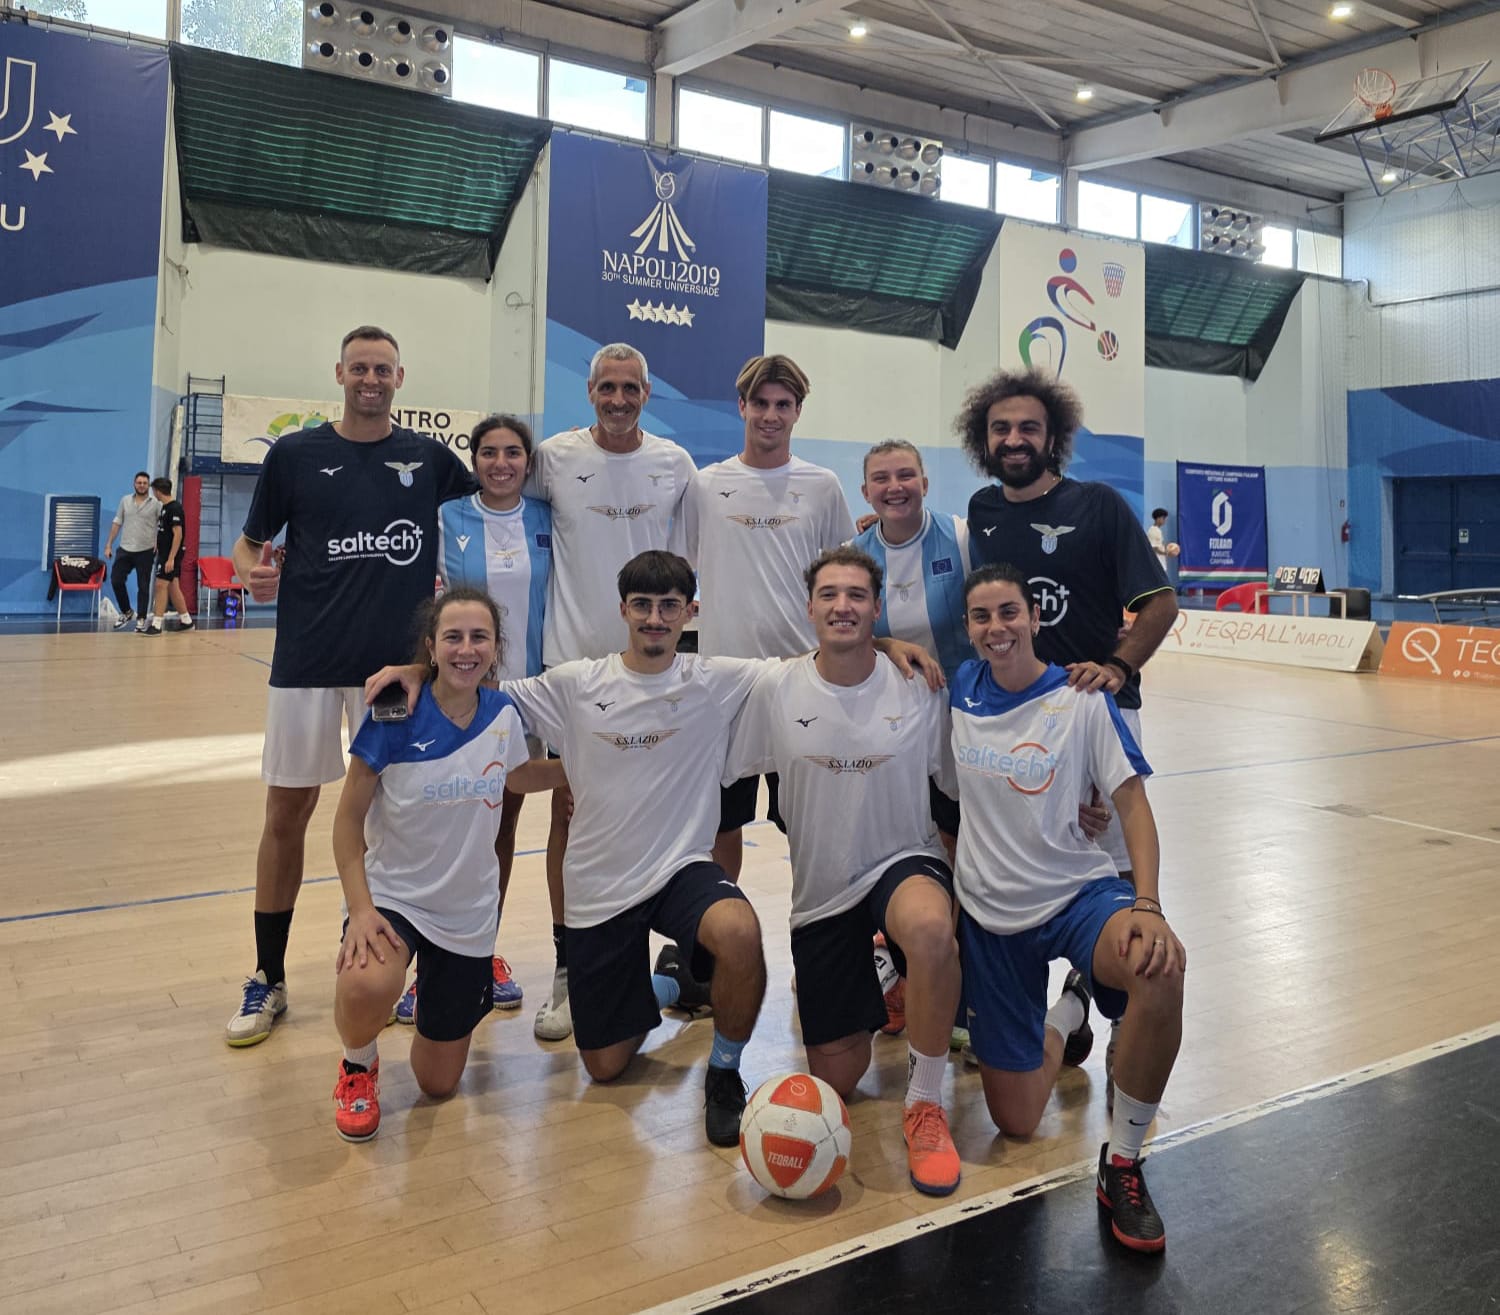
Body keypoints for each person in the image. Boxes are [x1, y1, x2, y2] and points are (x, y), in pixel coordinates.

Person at [368, 550, 771, 1146]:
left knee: (738, 930)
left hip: (681, 866)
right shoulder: (576, 684)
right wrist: (418, 668)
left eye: (669, 606)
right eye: (642, 605)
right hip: (599, 883)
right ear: (622, 611)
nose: (655, 618)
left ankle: (725, 1073)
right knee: (605, 1066)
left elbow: (815, 668)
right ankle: (672, 985)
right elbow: (473, 681)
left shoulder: (717, 680)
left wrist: (887, 645)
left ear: (691, 612)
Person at [224, 325, 475, 1048]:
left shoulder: (429, 458)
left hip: (392, 672)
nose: (371, 379)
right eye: (360, 368)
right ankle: (269, 976)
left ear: (401, 378)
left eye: (382, 369)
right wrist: (248, 571)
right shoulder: (294, 455)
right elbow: (248, 544)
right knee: (287, 813)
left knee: (397, 820)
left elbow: (492, 503)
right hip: (306, 663)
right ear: (339, 373)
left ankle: (401, 960)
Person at [949, 562, 1185, 1253]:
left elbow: (1132, 805)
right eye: (982, 616)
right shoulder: (957, 688)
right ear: (967, 627)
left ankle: (1124, 1163)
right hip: (991, 917)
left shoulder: (1082, 697)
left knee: (1160, 966)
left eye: (1009, 612)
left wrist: (1149, 903)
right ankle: (1071, 1009)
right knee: (1018, 1121)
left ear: (1034, 617)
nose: (997, 627)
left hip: (1079, 894)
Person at [724, 546, 963, 1196]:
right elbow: (704, 749)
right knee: (838, 1080)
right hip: (822, 894)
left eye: (857, 595)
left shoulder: (918, 685)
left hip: (901, 859)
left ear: (877, 608)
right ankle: (884, 974)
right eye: (829, 594)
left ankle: (925, 1102)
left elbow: (961, 781)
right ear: (809, 607)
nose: (842, 605)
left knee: (931, 931)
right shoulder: (773, 688)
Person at [330, 588, 562, 1142]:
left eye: (479, 637)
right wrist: (360, 910)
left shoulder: (503, 714)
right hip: (395, 898)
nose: (466, 649)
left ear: (496, 648)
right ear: (431, 647)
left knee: (437, 1083)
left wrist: (584, 769)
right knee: (365, 986)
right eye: (452, 637)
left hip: (467, 913)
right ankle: (358, 1064)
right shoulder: (395, 710)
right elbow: (346, 822)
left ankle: (430, 996)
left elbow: (518, 775)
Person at [526, 343, 696, 1043]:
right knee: (569, 813)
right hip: (572, 667)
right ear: (590, 392)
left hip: (651, 669)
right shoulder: (553, 458)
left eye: (631, 388)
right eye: (607, 388)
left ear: (646, 393)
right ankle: (570, 968)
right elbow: (499, 507)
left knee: (644, 814)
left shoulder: (674, 463)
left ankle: (630, 959)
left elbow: (701, 550)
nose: (619, 400)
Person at [385, 415, 551, 1022]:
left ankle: (478, 952)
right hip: (459, 697)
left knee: (498, 832)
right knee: (446, 827)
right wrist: (415, 666)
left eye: (512, 453)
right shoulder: (447, 515)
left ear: (528, 462)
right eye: (489, 453)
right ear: (473, 460)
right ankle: (426, 964)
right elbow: (417, 597)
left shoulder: (547, 518)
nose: (501, 463)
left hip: (524, 700)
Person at [680, 354, 855, 882]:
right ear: (742, 406)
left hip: (801, 681)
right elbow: (684, 565)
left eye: (783, 404)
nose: (771, 415)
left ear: (798, 411)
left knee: (806, 825)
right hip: (723, 686)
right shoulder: (706, 485)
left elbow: (845, 577)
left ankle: (816, 930)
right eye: (760, 403)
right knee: (721, 825)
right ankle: (718, 927)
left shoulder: (823, 486)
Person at [103, 471, 159, 632]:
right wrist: (108, 544)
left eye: (145, 483)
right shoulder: (125, 500)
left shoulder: (156, 504)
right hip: (125, 548)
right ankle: (127, 611)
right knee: (116, 580)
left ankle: (141, 618)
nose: (142, 485)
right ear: (134, 484)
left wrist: (157, 542)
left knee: (143, 586)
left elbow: (162, 524)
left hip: (146, 550)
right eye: (139, 483)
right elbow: (117, 522)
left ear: (148, 485)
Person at [144, 478, 193, 635]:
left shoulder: (175, 508)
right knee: (173, 586)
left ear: (158, 491)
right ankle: (186, 620)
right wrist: (157, 543)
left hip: (171, 554)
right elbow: (164, 531)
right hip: (165, 552)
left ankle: (157, 624)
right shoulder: (165, 508)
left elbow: (178, 534)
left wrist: (171, 558)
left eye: (153, 490)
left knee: (160, 585)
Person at [1146, 508, 1179, 574]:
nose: (1164, 521)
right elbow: (1154, 548)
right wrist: (1168, 553)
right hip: (1157, 563)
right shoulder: (1154, 531)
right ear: (1158, 518)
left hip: (1159, 563)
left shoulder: (1156, 530)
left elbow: (1158, 546)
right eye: (1163, 518)